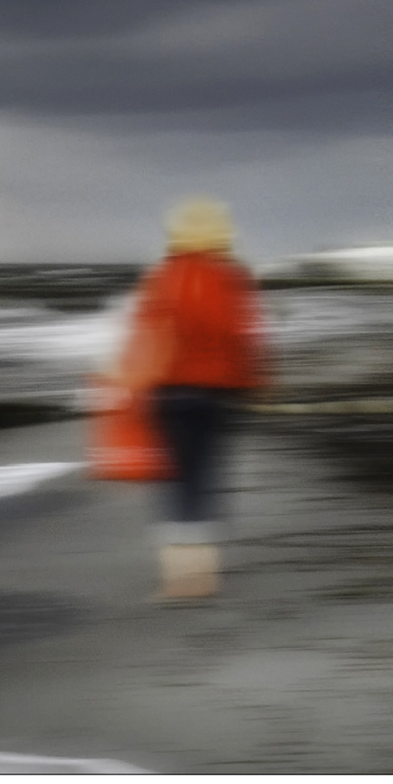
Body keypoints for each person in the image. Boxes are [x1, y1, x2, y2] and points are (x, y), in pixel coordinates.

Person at [113, 196, 266, 601]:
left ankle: (178, 579)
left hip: (170, 392)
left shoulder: (163, 277)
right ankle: (206, 574)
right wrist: (256, 382)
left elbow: (143, 336)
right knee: (208, 478)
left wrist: (130, 387)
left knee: (175, 482)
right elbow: (246, 336)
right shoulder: (233, 276)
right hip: (220, 394)